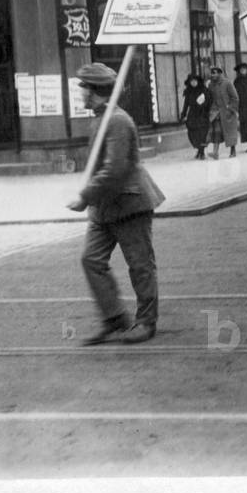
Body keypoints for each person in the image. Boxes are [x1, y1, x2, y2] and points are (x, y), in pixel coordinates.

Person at [67, 63, 165, 345]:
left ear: (93, 90)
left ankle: (146, 322)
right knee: (91, 259)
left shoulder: (118, 120)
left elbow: (115, 170)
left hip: (130, 202)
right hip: (105, 207)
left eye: (82, 88)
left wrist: (84, 197)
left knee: (140, 264)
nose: (80, 93)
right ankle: (115, 318)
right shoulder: (101, 117)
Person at [206, 65, 239, 159]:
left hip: (227, 111)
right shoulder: (211, 85)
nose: (213, 75)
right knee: (217, 132)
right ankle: (215, 153)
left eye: (215, 73)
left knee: (230, 132)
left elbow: (235, 97)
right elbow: (210, 97)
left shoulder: (227, 83)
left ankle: (233, 150)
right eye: (212, 73)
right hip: (216, 112)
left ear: (220, 73)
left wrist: (231, 108)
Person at [180, 73, 209, 159]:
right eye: (191, 81)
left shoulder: (203, 90)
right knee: (193, 134)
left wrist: (203, 105)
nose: (193, 83)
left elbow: (208, 101)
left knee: (202, 134)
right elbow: (186, 104)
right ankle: (199, 149)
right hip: (192, 115)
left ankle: (202, 151)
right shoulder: (188, 91)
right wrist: (183, 114)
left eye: (194, 81)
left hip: (202, 114)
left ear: (198, 81)